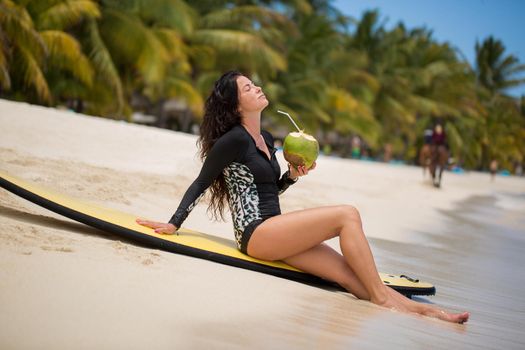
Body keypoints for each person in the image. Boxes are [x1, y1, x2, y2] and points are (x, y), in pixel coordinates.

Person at [136, 70, 469, 324]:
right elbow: (201, 183)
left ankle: (425, 314)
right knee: (347, 215)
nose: (257, 88)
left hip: (275, 229)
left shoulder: (265, 137)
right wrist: (174, 223)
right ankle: (383, 300)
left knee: (347, 275)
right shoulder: (233, 140)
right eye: (248, 88)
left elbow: (269, 190)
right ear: (236, 105)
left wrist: (291, 177)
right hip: (256, 234)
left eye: (254, 84)